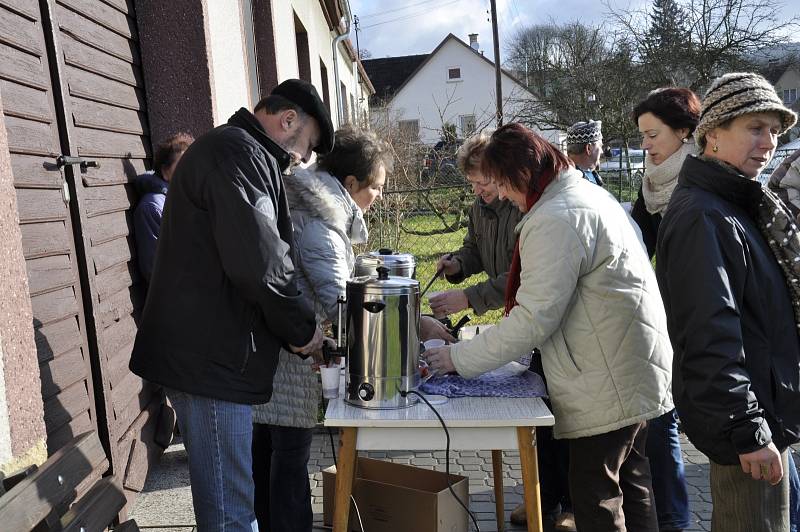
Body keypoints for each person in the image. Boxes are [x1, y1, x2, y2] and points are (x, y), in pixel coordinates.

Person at [425, 123, 673, 532]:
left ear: (521, 174)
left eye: (501, 184)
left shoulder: (557, 217)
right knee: (633, 486)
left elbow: (532, 318)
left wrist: (456, 357)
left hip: (607, 377)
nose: (501, 195)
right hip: (630, 368)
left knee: (597, 496)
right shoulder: (577, 196)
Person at [130, 79, 332, 531]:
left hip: (212, 359)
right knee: (230, 513)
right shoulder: (237, 155)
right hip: (210, 364)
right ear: (288, 120)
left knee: (230, 505)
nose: (303, 159)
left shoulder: (238, 152)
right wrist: (304, 332)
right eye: (308, 146)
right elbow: (263, 265)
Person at [250, 125, 453, 532]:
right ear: (350, 183)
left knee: (268, 458)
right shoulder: (321, 228)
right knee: (288, 464)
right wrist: (415, 323)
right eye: (376, 187)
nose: (378, 197)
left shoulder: (313, 212)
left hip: (275, 356)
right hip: (293, 365)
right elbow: (342, 306)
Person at [656, 72, 800, 532]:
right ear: (712, 135)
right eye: (755, 128)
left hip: (764, 418)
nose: (768, 142)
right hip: (749, 429)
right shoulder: (704, 214)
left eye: (775, 131)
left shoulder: (739, 203)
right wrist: (747, 428)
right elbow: (708, 333)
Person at [630, 87, 699, 532]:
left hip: (702, 320)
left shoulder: (701, 181)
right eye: (642, 136)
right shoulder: (652, 183)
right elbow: (638, 244)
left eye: (653, 134)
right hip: (664, 319)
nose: (646, 145)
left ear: (685, 131)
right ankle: (672, 522)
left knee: (743, 435)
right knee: (660, 421)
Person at [429, 131, 523, 318]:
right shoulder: (478, 209)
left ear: (501, 174)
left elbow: (521, 276)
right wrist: (457, 264)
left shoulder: (521, 209)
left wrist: (468, 298)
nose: (476, 190)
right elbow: (475, 249)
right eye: (472, 183)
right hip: (512, 310)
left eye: (482, 182)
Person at [133, 132, 194, 283]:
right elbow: (155, 269)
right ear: (165, 172)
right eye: (181, 165)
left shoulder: (188, 199)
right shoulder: (153, 207)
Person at [565, 120, 604, 186]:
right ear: (588, 148)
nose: (602, 151)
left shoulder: (565, 176)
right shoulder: (573, 182)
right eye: (600, 146)